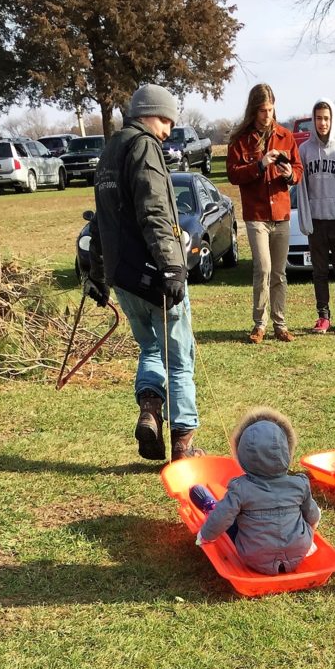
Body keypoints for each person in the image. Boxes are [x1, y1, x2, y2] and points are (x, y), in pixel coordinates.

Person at [85, 84, 205, 463]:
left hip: (123, 276)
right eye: (166, 119)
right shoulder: (144, 146)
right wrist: (172, 266)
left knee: (151, 348)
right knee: (180, 357)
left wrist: (98, 273)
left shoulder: (111, 149)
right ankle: (183, 448)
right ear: (148, 113)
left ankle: (150, 412)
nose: (168, 130)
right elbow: (155, 210)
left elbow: (104, 219)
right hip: (154, 274)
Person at [193, 407, 322, 575]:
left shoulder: (240, 488)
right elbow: (313, 516)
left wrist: (205, 535)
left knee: (230, 515)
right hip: (299, 552)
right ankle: (302, 543)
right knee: (309, 512)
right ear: (287, 452)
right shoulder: (299, 483)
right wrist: (307, 529)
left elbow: (221, 518)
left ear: (242, 454)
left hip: (254, 556)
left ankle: (210, 507)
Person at [227, 84, 304, 343]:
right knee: (264, 268)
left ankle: (279, 324)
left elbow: (298, 170)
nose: (267, 115)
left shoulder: (285, 136)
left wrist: (290, 174)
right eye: (262, 110)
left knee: (279, 272)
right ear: (253, 110)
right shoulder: (241, 139)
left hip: (281, 213)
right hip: (257, 214)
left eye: (270, 110)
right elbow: (233, 174)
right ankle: (259, 324)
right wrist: (260, 165)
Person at [297, 98, 335, 333]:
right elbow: (301, 189)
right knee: (320, 271)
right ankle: (323, 316)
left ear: (333, 119)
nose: (322, 123)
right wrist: (305, 219)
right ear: (312, 121)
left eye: (326, 118)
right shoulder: (304, 150)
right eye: (318, 118)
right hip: (316, 220)